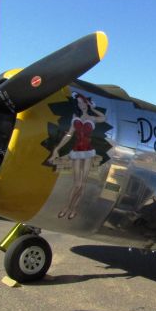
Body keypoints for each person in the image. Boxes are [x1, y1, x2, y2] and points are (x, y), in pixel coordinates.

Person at [48, 92, 106, 220]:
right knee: (77, 184)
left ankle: (74, 209)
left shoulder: (92, 118)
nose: (81, 105)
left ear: (87, 103)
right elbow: (69, 135)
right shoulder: (75, 117)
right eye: (79, 103)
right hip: (77, 151)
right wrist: (56, 149)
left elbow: (103, 118)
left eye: (83, 102)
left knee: (82, 184)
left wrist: (93, 109)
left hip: (88, 152)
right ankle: (67, 207)